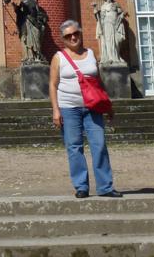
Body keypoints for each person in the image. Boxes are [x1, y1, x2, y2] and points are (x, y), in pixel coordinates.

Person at [49, 19, 120, 198]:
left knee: (99, 144)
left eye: (76, 34)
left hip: (93, 106)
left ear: (80, 34)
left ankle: (105, 187)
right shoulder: (58, 57)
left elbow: (98, 82)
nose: (73, 38)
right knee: (74, 147)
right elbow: (53, 84)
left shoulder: (90, 54)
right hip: (69, 108)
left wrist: (107, 105)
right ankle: (81, 186)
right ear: (63, 39)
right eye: (68, 36)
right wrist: (56, 110)